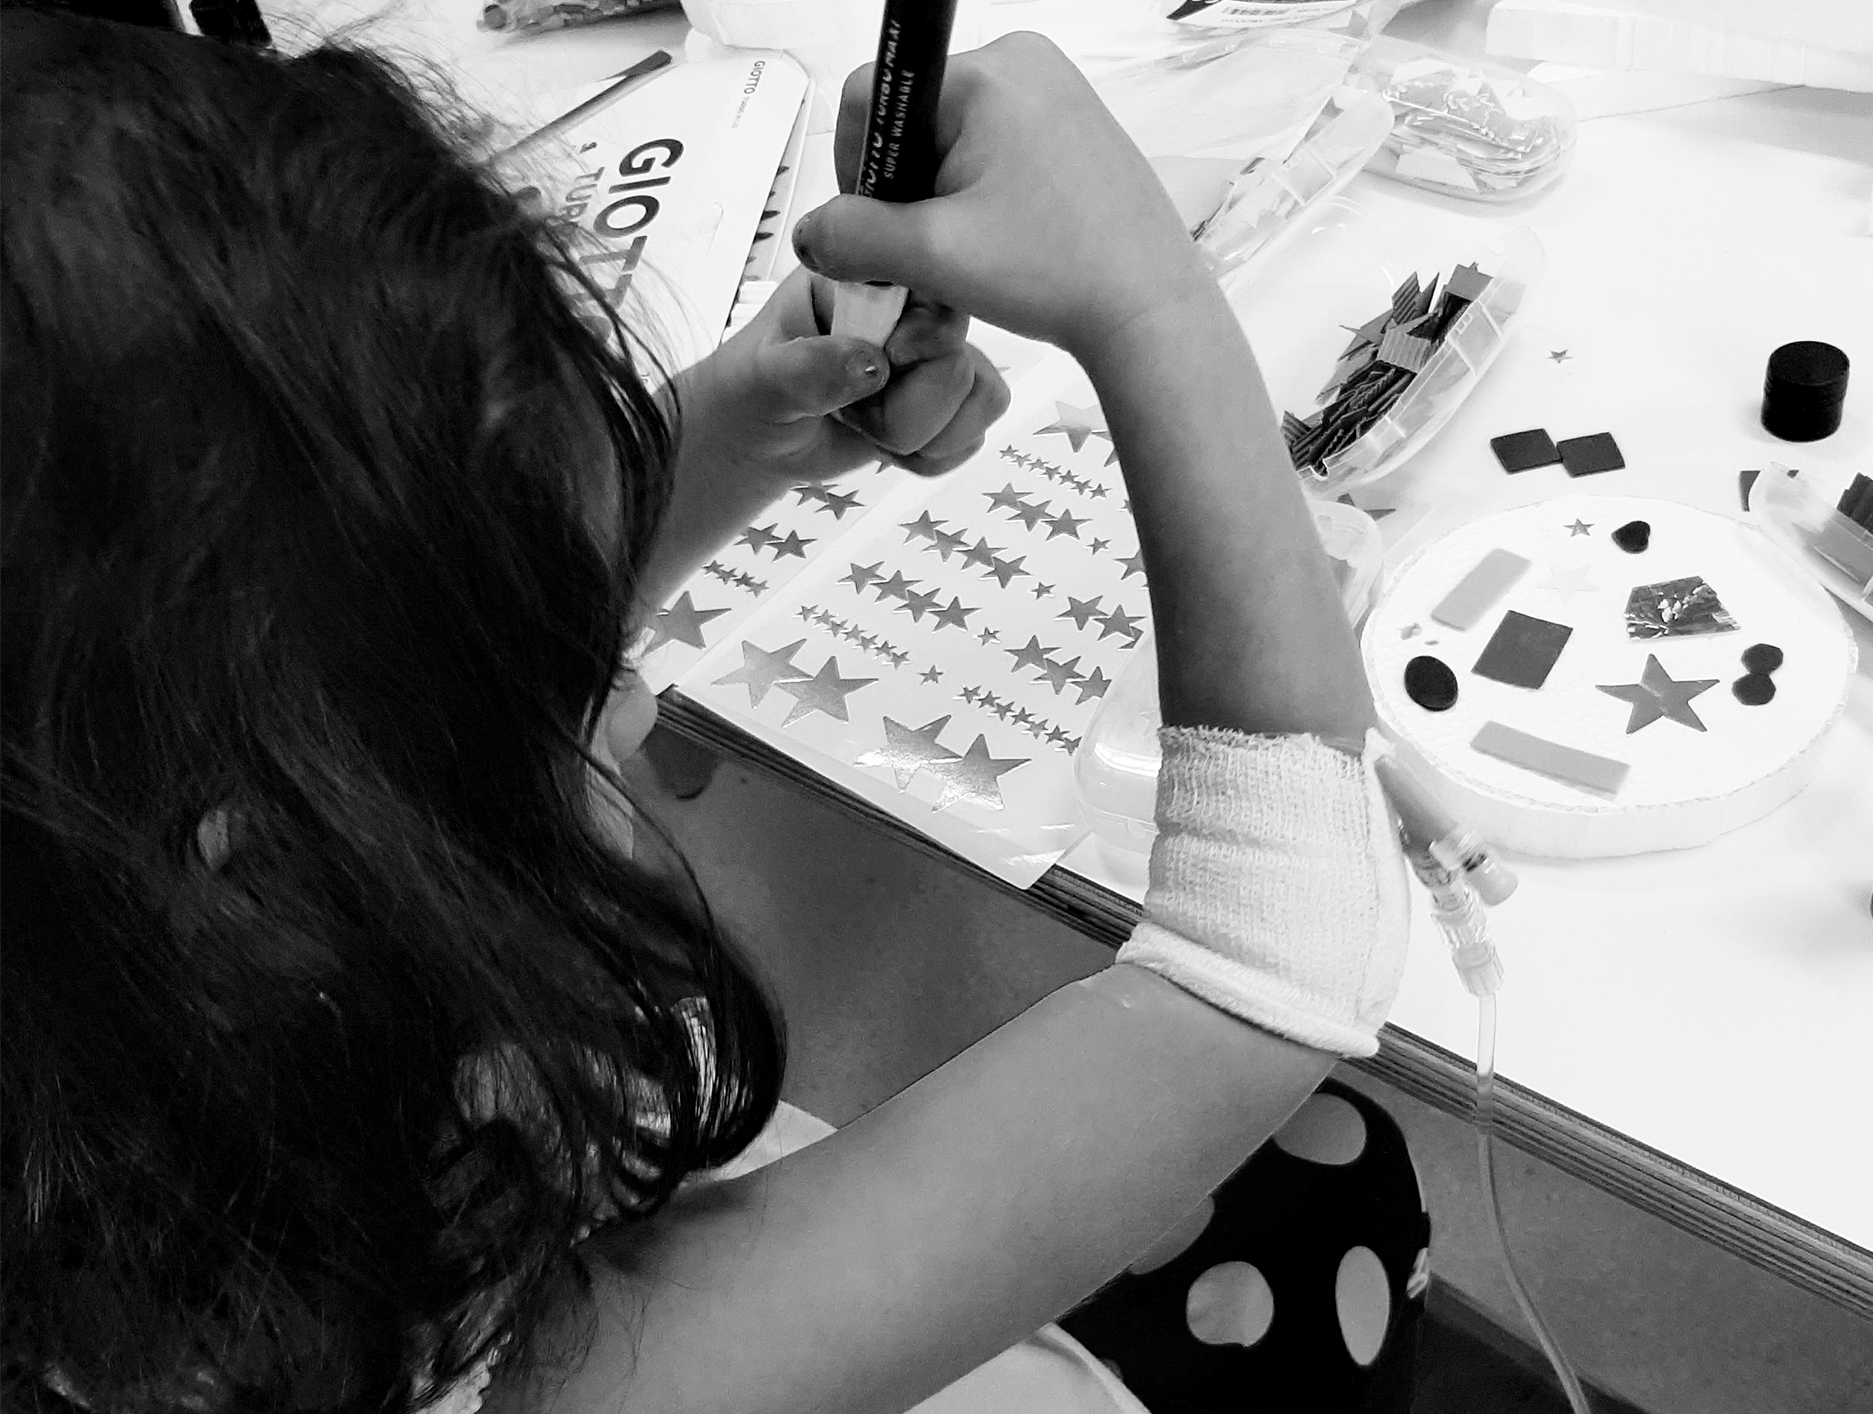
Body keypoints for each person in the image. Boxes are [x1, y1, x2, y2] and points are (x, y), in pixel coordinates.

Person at [1, 8, 1420, 1412]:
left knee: (1328, 1169)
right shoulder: (494, 1381)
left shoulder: (110, 987)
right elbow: (1271, 956)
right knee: (1328, 1187)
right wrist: (1148, 299)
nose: (628, 702)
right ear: (269, 880)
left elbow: (365, 665)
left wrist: (739, 419)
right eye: (569, 690)